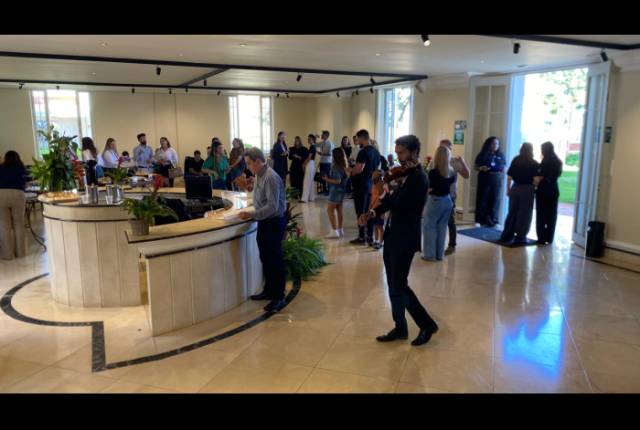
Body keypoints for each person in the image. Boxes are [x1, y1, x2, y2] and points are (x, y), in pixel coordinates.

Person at [359, 135, 439, 346]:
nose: (399, 158)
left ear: (414, 152)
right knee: (393, 284)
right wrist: (372, 212)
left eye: (402, 153)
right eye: (397, 153)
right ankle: (400, 327)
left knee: (400, 285)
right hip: (392, 234)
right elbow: (390, 203)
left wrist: (382, 187)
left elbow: (399, 205)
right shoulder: (404, 175)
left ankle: (427, 324)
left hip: (405, 238)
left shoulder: (418, 178)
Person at [237, 147, 287, 313]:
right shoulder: (259, 174)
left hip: (274, 222)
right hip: (265, 221)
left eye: (249, 163)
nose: (248, 167)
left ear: (258, 161)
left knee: (274, 259)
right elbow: (260, 197)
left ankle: (279, 297)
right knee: (265, 257)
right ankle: (269, 290)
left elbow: (273, 206)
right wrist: (248, 187)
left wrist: (251, 214)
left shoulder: (271, 177)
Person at [499, 142, 541, 244]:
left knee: (512, 212)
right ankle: (521, 236)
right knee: (525, 214)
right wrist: (535, 187)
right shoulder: (534, 163)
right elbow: (536, 180)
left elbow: (509, 176)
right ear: (531, 150)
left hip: (515, 188)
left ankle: (507, 235)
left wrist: (508, 189)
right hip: (527, 189)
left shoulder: (516, 160)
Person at [422, 146, 456, 261]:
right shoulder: (451, 171)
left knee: (429, 226)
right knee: (442, 227)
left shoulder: (433, 173)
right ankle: (439, 254)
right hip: (447, 201)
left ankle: (429, 255)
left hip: (435, 201)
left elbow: (430, 188)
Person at [438, 139, 470, 255]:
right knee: (437, 222)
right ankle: (437, 245)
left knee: (450, 221)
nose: (445, 150)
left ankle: (452, 245)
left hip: (450, 196)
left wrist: (463, 162)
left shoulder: (454, 162)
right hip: (437, 196)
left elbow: (466, 175)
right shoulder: (435, 162)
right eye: (443, 148)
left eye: (448, 148)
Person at [349, 129, 380, 246]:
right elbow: (377, 169)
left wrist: (350, 171)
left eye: (358, 139)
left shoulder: (363, 152)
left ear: (362, 138)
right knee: (369, 211)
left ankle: (362, 237)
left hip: (361, 185)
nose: (357, 141)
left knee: (360, 211)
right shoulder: (376, 152)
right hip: (371, 185)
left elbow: (359, 169)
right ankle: (370, 236)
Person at [0, 151, 27, 260]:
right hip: (18, 194)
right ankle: (20, 253)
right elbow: (26, 181)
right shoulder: (21, 168)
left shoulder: (0, 168)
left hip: (1, 194)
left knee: (4, 225)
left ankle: (7, 255)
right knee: (19, 224)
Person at [474, 136, 505, 227]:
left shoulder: (501, 155)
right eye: (493, 143)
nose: (496, 145)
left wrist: (503, 169)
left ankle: (493, 221)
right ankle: (479, 220)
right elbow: (476, 167)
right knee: (482, 199)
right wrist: (481, 168)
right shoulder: (482, 154)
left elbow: (504, 166)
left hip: (496, 179)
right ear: (489, 144)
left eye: (497, 144)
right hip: (484, 178)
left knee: (495, 200)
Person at [536, 141, 563, 245]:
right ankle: (549, 237)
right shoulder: (558, 161)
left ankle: (541, 237)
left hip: (543, 189)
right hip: (553, 189)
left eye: (542, 149)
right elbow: (556, 175)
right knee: (552, 215)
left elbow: (540, 174)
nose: (542, 151)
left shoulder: (545, 161)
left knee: (541, 214)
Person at [322, 147, 349, 239]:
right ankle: (340, 230)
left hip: (335, 191)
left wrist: (326, 179)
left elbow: (337, 181)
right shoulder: (344, 166)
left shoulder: (335, 167)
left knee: (329, 210)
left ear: (335, 156)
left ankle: (334, 231)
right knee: (339, 210)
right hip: (342, 190)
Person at [369, 169, 387, 250]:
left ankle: (381, 242)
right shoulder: (373, 185)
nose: (372, 176)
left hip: (380, 209)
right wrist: (370, 207)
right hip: (374, 209)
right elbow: (372, 197)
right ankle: (376, 240)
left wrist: (383, 212)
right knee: (375, 226)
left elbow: (385, 199)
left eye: (374, 175)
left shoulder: (383, 185)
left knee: (380, 226)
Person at [300, 134, 317, 203]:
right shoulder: (313, 146)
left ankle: (304, 199)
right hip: (311, 164)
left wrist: (304, 164)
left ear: (313, 140)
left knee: (306, 181)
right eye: (308, 139)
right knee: (310, 181)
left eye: (310, 139)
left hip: (310, 164)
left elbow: (309, 157)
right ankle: (311, 197)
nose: (308, 140)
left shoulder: (312, 147)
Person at [317, 130, 334, 195]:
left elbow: (330, 154)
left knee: (328, 176)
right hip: (322, 162)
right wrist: (315, 137)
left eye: (323, 135)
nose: (321, 136)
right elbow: (315, 144)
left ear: (326, 136)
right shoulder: (322, 142)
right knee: (322, 176)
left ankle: (329, 190)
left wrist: (322, 153)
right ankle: (324, 190)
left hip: (327, 162)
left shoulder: (330, 143)